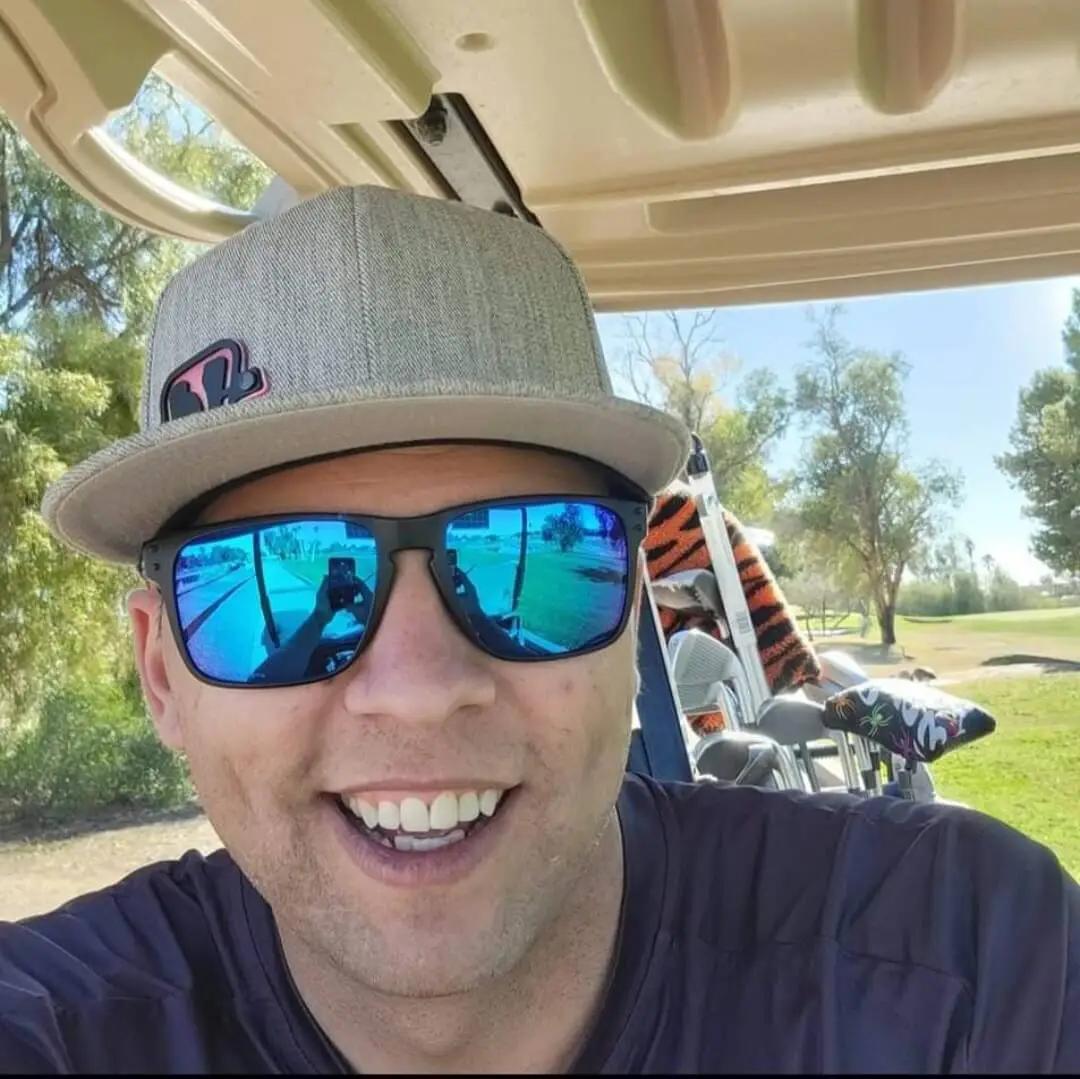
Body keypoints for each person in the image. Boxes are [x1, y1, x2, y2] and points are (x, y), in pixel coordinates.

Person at [0, 185, 1075, 1073]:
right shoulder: (53, 1024)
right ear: (161, 673)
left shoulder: (969, 966)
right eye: (261, 579)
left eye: (524, 553)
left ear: (632, 625)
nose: (419, 688)